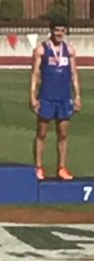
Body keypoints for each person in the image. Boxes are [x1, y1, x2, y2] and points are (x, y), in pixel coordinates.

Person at [30, 18, 81, 180]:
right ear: (51, 30)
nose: (59, 33)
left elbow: (74, 74)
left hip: (64, 97)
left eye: (62, 30)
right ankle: (38, 167)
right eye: (57, 30)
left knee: (63, 133)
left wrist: (77, 95)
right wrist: (32, 95)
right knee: (42, 133)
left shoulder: (70, 50)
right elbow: (35, 74)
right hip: (46, 96)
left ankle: (61, 167)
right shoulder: (42, 49)